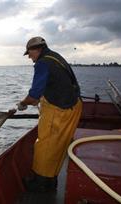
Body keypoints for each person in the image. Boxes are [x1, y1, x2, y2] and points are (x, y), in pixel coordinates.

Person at [17, 36, 83, 192]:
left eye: (30, 54)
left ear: (37, 50)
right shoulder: (55, 56)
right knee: (58, 146)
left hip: (59, 110)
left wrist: (22, 103)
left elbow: (33, 96)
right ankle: (51, 180)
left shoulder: (42, 63)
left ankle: (40, 183)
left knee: (45, 145)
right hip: (74, 106)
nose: (30, 58)